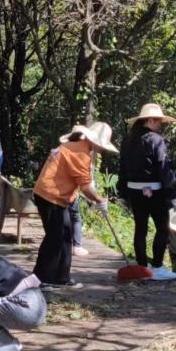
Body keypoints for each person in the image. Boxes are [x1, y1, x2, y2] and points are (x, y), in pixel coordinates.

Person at [32, 122, 117, 291]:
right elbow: (85, 186)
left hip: (58, 197)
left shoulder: (77, 147)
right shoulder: (80, 153)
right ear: (95, 141)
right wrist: (99, 200)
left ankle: (61, 277)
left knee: (66, 235)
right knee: (54, 237)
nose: (103, 148)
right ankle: (41, 279)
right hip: (50, 196)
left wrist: (96, 199)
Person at [117, 103, 176, 281]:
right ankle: (158, 267)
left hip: (134, 191)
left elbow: (122, 168)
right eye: (159, 121)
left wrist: (122, 193)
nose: (161, 125)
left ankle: (142, 267)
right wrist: (174, 193)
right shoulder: (155, 139)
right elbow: (164, 168)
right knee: (162, 228)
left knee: (140, 228)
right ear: (151, 120)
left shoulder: (128, 140)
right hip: (155, 191)